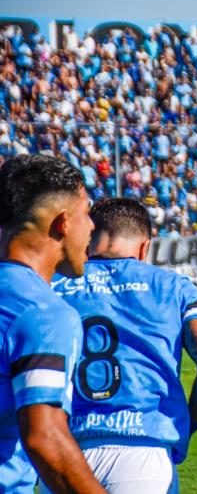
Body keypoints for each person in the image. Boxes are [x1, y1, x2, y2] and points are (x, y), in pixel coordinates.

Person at [51, 198, 197, 493]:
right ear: (145, 247)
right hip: (144, 455)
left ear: (89, 237)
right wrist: (188, 422)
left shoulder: (51, 285)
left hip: (63, 452)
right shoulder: (174, 287)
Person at [0, 154, 105, 492]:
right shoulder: (42, 313)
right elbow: (45, 439)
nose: (93, 227)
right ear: (63, 222)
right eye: (87, 213)